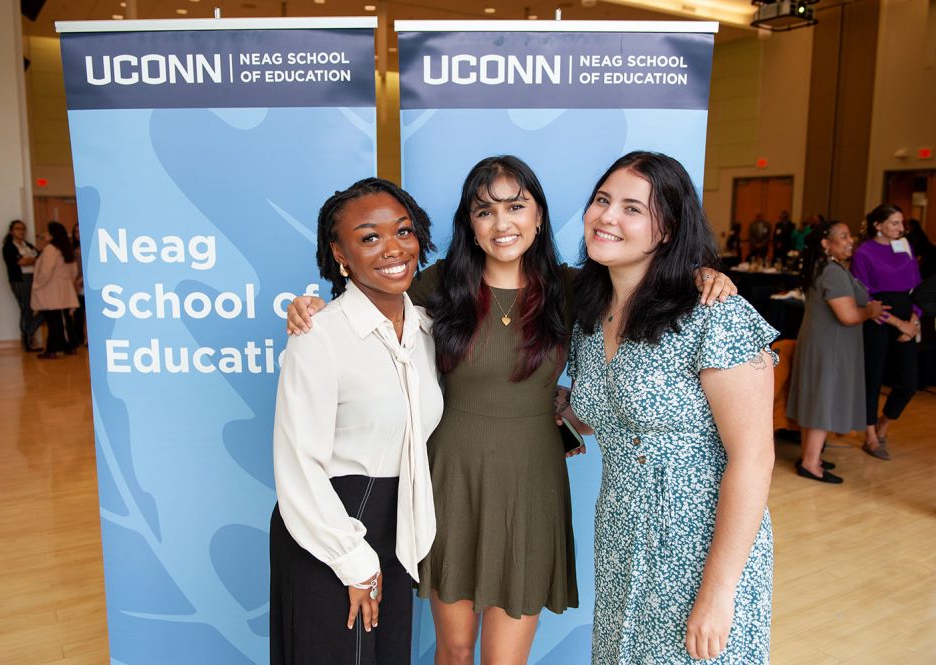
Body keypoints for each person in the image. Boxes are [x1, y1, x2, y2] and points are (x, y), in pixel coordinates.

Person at [286, 156, 737, 665]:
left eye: (516, 206)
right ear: (469, 224)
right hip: (451, 481)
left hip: (532, 485)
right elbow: (365, 301)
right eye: (485, 210)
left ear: (539, 216)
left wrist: (702, 274)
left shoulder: (573, 290)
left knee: (506, 660)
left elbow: (648, 278)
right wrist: (310, 308)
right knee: (454, 651)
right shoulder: (437, 285)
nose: (502, 224)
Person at [567, 151, 775, 664]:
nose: (607, 217)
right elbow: (609, 414)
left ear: (667, 229)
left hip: (699, 545)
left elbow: (754, 459)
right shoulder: (590, 317)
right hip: (621, 535)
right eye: (602, 200)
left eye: (632, 208)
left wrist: (720, 591)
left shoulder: (713, 313)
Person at [270, 178, 444, 665]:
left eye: (404, 232)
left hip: (397, 523)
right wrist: (352, 560)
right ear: (339, 254)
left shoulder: (428, 329)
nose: (393, 248)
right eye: (370, 237)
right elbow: (298, 462)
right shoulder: (318, 335)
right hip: (329, 526)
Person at [786, 221, 887, 483]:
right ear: (825, 243)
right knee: (823, 402)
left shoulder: (824, 268)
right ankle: (810, 463)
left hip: (821, 344)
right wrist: (871, 311)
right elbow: (848, 315)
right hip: (829, 347)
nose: (850, 240)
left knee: (817, 400)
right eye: (843, 236)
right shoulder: (831, 271)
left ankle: (811, 455)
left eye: (849, 235)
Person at [850, 204, 923, 460]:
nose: (901, 228)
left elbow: (917, 285)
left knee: (909, 381)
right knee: (873, 379)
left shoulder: (904, 246)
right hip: (878, 320)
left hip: (907, 315)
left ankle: (883, 424)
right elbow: (864, 296)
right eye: (894, 223)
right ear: (878, 225)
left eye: (901, 223)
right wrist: (897, 323)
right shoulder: (864, 252)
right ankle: (870, 436)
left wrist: (914, 319)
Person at [31, 221, 79, 359]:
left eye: (47, 232)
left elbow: (46, 271)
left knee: (54, 321)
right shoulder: (66, 249)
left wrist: (37, 284)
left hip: (51, 289)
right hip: (64, 288)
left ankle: (53, 349)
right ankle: (70, 346)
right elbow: (73, 271)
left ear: (52, 235)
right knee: (66, 320)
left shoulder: (51, 249)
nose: (44, 235)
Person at [1, 220, 44, 352]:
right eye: (18, 229)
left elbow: (40, 258)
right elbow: (21, 262)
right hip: (20, 280)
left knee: (41, 308)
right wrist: (31, 260)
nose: (21, 231)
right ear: (11, 231)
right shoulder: (8, 247)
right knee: (26, 309)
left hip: (33, 279)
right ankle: (27, 340)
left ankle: (28, 334)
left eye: (23, 229)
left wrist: (30, 260)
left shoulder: (28, 245)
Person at [71, 222, 86, 346]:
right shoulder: (75, 250)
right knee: (79, 313)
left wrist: (81, 279)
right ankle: (79, 338)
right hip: (78, 285)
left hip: (85, 283)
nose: (78, 235)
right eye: (76, 232)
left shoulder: (88, 249)